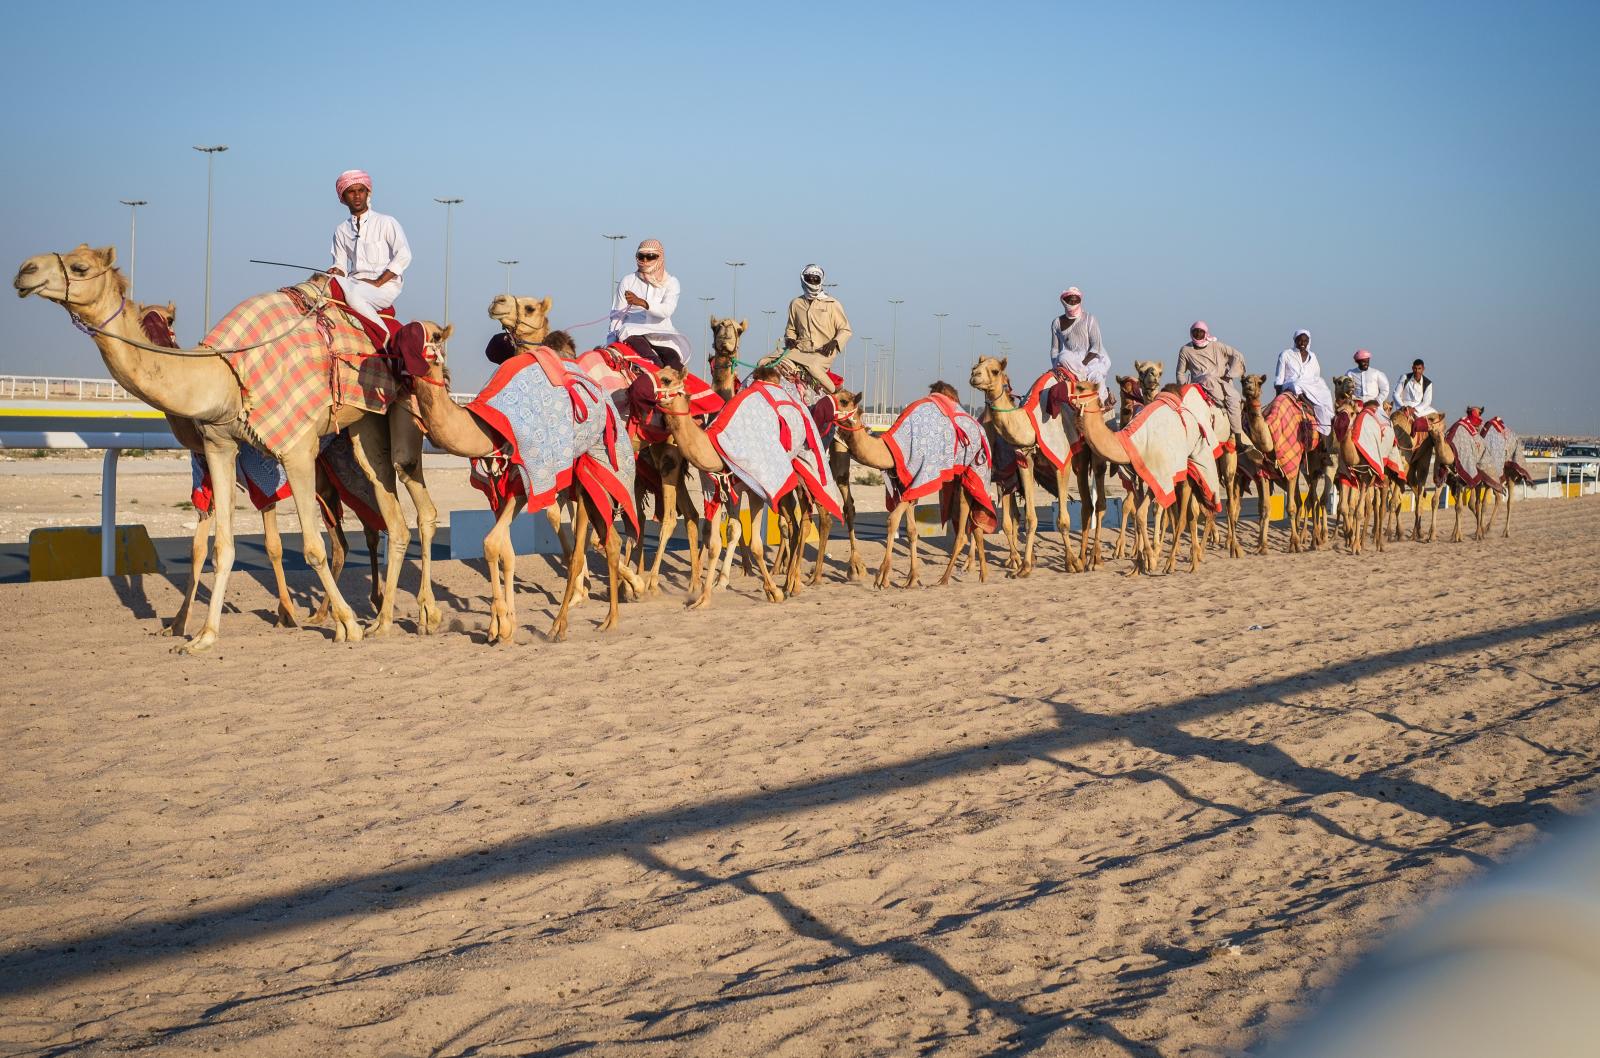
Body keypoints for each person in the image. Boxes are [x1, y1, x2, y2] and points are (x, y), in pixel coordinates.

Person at [327, 169, 411, 334]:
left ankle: (382, 335)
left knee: (354, 295)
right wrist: (336, 270)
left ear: (368, 193)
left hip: (384, 287)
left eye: (361, 191)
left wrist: (378, 282)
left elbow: (404, 254)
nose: (357, 196)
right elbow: (341, 265)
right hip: (354, 283)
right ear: (344, 198)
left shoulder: (386, 222)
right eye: (351, 192)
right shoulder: (341, 230)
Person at [780, 264, 852, 392]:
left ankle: (833, 391)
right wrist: (790, 338)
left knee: (813, 367)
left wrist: (835, 342)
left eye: (816, 279)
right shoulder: (796, 304)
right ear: (803, 280)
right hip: (799, 350)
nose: (812, 281)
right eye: (809, 278)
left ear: (821, 281)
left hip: (822, 353)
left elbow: (845, 330)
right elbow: (791, 328)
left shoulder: (832, 304)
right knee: (769, 360)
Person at [1176, 320, 1250, 444]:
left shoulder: (1217, 346)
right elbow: (1180, 372)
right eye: (1195, 332)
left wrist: (1230, 374)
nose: (1198, 334)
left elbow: (1238, 356)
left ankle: (1238, 438)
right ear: (1191, 333)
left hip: (1220, 382)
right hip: (1199, 382)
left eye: (1201, 332)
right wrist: (1182, 389)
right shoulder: (1185, 350)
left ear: (1206, 333)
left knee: (1235, 397)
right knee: (1208, 378)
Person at [607, 239, 682, 347]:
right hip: (632, 335)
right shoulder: (628, 281)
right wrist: (610, 345)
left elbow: (667, 310)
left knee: (672, 360)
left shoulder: (671, 282)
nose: (645, 260)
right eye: (641, 256)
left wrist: (642, 303)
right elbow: (617, 317)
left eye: (650, 256)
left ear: (659, 257)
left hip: (661, 337)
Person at [1049, 287, 1109, 402]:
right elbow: (1054, 349)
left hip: (1089, 363)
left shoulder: (1089, 319)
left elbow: (1096, 346)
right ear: (1064, 301)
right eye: (1070, 301)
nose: (1073, 303)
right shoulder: (1056, 322)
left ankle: (1100, 407)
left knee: (1098, 382)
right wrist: (1056, 365)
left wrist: (1082, 364)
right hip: (1066, 363)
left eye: (1076, 301)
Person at [1273, 329, 1333, 436]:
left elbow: (1316, 375)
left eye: (1305, 341)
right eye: (1300, 340)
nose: (1302, 343)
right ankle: (1305, 401)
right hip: (1290, 384)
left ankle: (1323, 434)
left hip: (1309, 385)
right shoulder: (1286, 354)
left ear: (1308, 342)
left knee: (1324, 402)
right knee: (1296, 385)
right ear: (1295, 340)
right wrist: (1277, 397)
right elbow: (1279, 378)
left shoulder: (1312, 356)